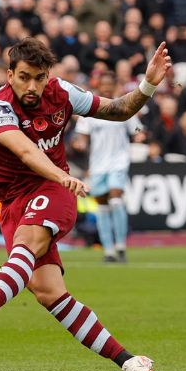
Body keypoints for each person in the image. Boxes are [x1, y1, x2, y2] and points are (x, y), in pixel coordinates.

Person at [0, 37, 171, 371]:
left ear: (48, 75)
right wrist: (61, 176)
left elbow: (119, 110)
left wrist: (148, 83)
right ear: (9, 75)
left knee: (27, 241)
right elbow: (25, 151)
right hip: (14, 200)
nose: (32, 86)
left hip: (53, 187)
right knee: (49, 292)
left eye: (39, 77)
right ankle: (128, 362)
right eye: (24, 77)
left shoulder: (62, 93)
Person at [73, 72, 143, 262]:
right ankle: (109, 250)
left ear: (114, 86)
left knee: (116, 200)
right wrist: (80, 144)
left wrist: (139, 134)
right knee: (102, 206)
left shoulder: (123, 106)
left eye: (109, 84)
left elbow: (137, 128)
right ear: (99, 85)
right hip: (98, 164)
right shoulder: (90, 110)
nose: (106, 87)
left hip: (118, 161)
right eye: (103, 84)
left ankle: (121, 245)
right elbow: (83, 137)